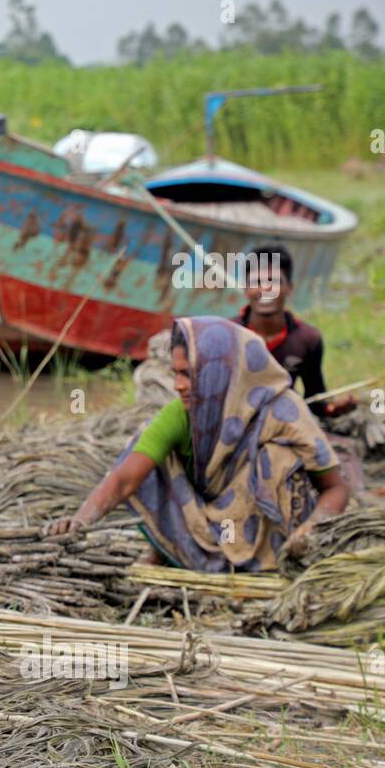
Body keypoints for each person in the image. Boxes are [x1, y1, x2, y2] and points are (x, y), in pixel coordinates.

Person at [43, 316, 348, 571]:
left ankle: (264, 563)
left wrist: (310, 531)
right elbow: (124, 478)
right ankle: (174, 550)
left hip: (277, 541)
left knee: (276, 457)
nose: (178, 386)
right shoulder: (181, 413)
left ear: (222, 371)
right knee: (149, 454)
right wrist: (79, 521)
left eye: (189, 375)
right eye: (175, 374)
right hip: (208, 528)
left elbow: (335, 488)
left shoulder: (283, 411)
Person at [238, 244, 356, 419]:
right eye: (257, 283)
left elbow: (315, 399)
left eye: (274, 282)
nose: (265, 290)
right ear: (246, 289)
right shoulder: (229, 334)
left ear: (290, 288)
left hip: (283, 423)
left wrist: (333, 409)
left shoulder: (307, 339)